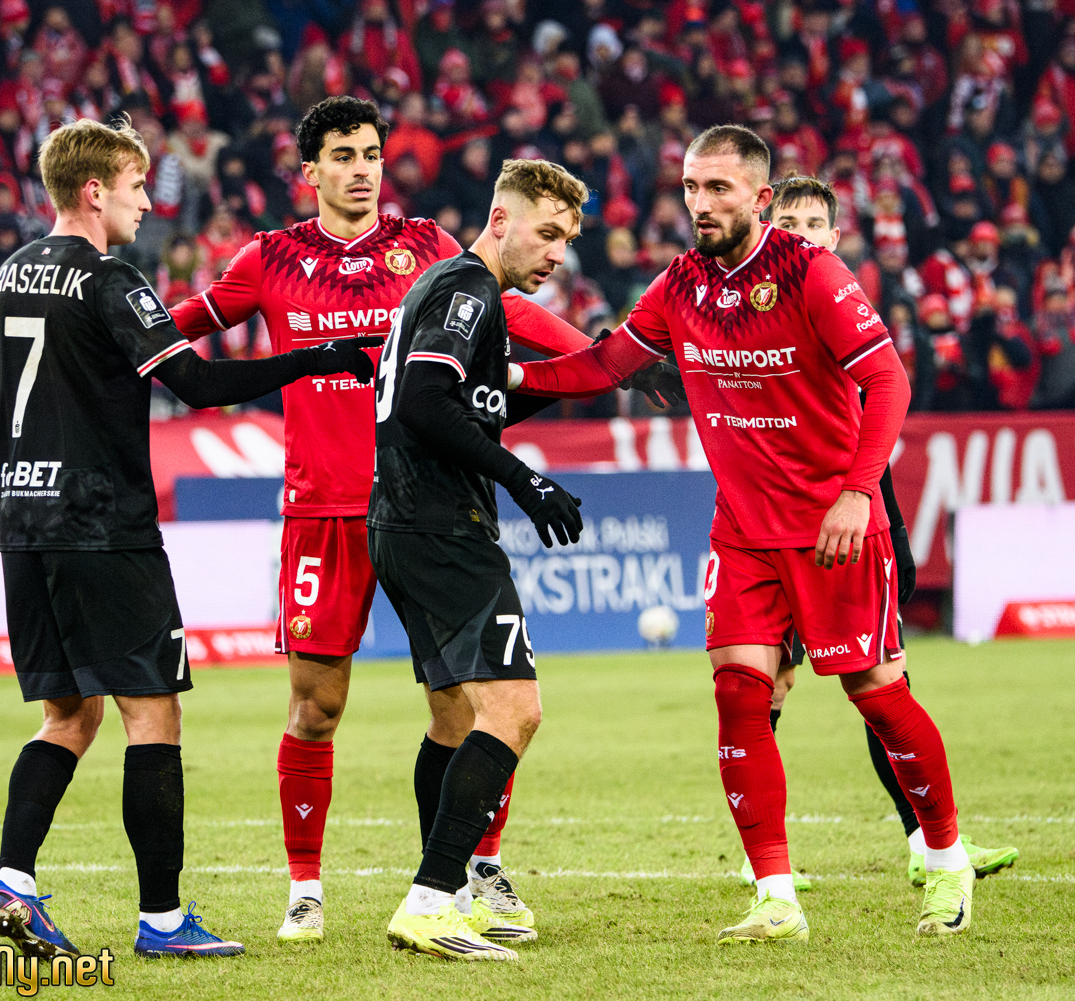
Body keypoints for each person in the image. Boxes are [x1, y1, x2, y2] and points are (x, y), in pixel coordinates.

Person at [511, 126, 983, 941]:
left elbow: (888, 380)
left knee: (877, 694)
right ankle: (774, 894)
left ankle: (946, 861)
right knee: (739, 694)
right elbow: (606, 364)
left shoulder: (811, 272)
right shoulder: (680, 282)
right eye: (691, 187)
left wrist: (857, 493)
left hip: (832, 528)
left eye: (718, 188)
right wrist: (511, 373)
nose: (700, 203)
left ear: (761, 198)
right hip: (742, 531)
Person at [169, 96, 594, 944]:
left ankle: (473, 873)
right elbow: (176, 333)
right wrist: (114, 348)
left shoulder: (427, 247)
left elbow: (508, 312)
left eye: (370, 153)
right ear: (310, 171)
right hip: (322, 508)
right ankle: (305, 887)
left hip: (413, 499)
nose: (362, 169)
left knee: (467, 704)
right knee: (317, 706)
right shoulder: (269, 258)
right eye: (343, 155)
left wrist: (593, 354)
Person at [0, 116, 380, 962]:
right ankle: (162, 920)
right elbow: (193, 381)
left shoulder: (6, 276)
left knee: (68, 714)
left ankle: (13, 881)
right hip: (104, 523)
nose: (145, 202)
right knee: (152, 713)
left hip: (21, 521)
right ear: (95, 190)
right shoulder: (110, 277)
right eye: (135, 187)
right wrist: (313, 359)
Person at [757, 175, 1019, 889]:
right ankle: (765, 858)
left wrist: (891, 528)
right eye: (788, 223)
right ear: (768, 230)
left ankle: (923, 842)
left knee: (881, 685)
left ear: (836, 238)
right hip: (776, 527)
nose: (802, 234)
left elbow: (873, 422)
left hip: (855, 522)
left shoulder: (845, 305)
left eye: (814, 224)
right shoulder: (753, 311)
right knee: (766, 686)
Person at [371, 158, 589, 961]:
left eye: (566, 239)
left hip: (399, 523)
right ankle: (431, 898)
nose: (557, 252)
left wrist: (577, 379)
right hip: (444, 527)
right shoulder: (469, 289)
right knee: (515, 710)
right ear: (501, 220)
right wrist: (527, 481)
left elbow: (471, 403)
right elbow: (426, 402)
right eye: (547, 232)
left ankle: (453, 893)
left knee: (453, 719)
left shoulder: (444, 288)